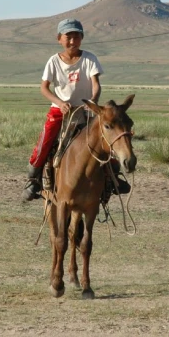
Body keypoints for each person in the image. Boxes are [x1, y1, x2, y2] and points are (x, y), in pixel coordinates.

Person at [22, 18, 131, 202]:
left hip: (86, 111)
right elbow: (44, 88)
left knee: (104, 141)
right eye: (68, 37)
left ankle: (113, 178)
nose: (72, 41)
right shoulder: (54, 61)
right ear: (59, 39)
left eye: (76, 37)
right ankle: (34, 178)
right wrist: (59, 102)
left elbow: (96, 84)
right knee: (46, 141)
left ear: (82, 38)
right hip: (60, 111)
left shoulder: (89, 59)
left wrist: (93, 100)